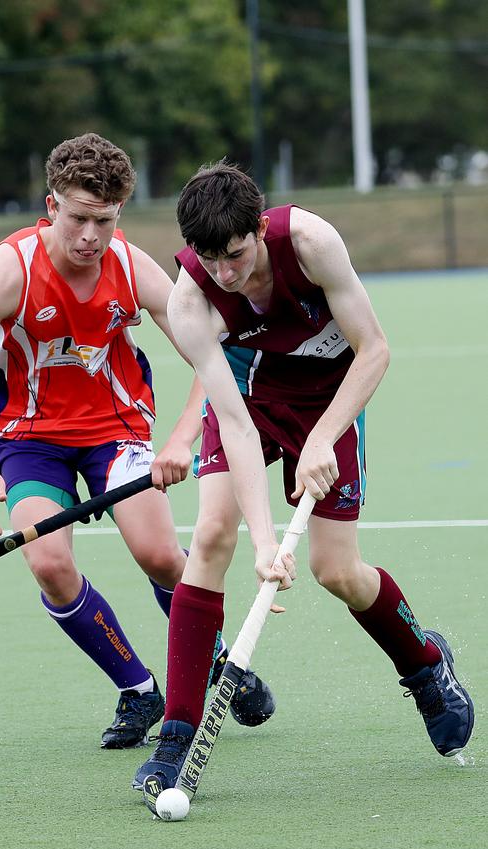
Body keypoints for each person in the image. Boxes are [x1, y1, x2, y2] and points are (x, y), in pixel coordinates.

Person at [134, 160, 474, 789]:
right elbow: (232, 424)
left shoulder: (311, 242)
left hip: (331, 396)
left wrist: (321, 437)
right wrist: (263, 541)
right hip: (251, 394)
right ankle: (177, 737)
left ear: (259, 230)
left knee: (335, 571)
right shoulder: (189, 303)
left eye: (236, 255)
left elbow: (374, 349)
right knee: (211, 536)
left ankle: (426, 664)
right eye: (211, 262)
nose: (227, 274)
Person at [0, 135, 273, 751]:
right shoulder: (12, 269)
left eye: (105, 221)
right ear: (51, 205)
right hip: (29, 442)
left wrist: (181, 438)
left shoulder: (130, 266)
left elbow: (210, 351)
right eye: (79, 218)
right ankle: (139, 690)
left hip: (116, 432)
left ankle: (218, 664)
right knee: (50, 564)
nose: (91, 235)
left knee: (164, 557)